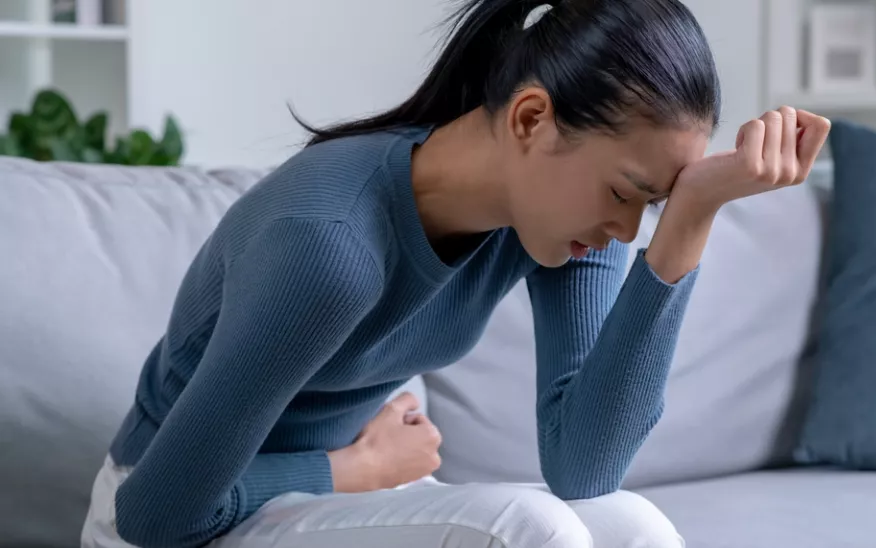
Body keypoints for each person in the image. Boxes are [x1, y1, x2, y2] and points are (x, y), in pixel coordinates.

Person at [81, 0, 830, 546]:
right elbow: (157, 514)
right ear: (531, 120)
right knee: (529, 530)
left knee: (634, 527)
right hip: (174, 516)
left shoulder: (557, 225)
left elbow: (587, 468)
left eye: (652, 204)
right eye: (627, 194)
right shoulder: (331, 244)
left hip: (328, 492)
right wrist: (353, 468)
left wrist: (691, 217)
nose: (625, 229)